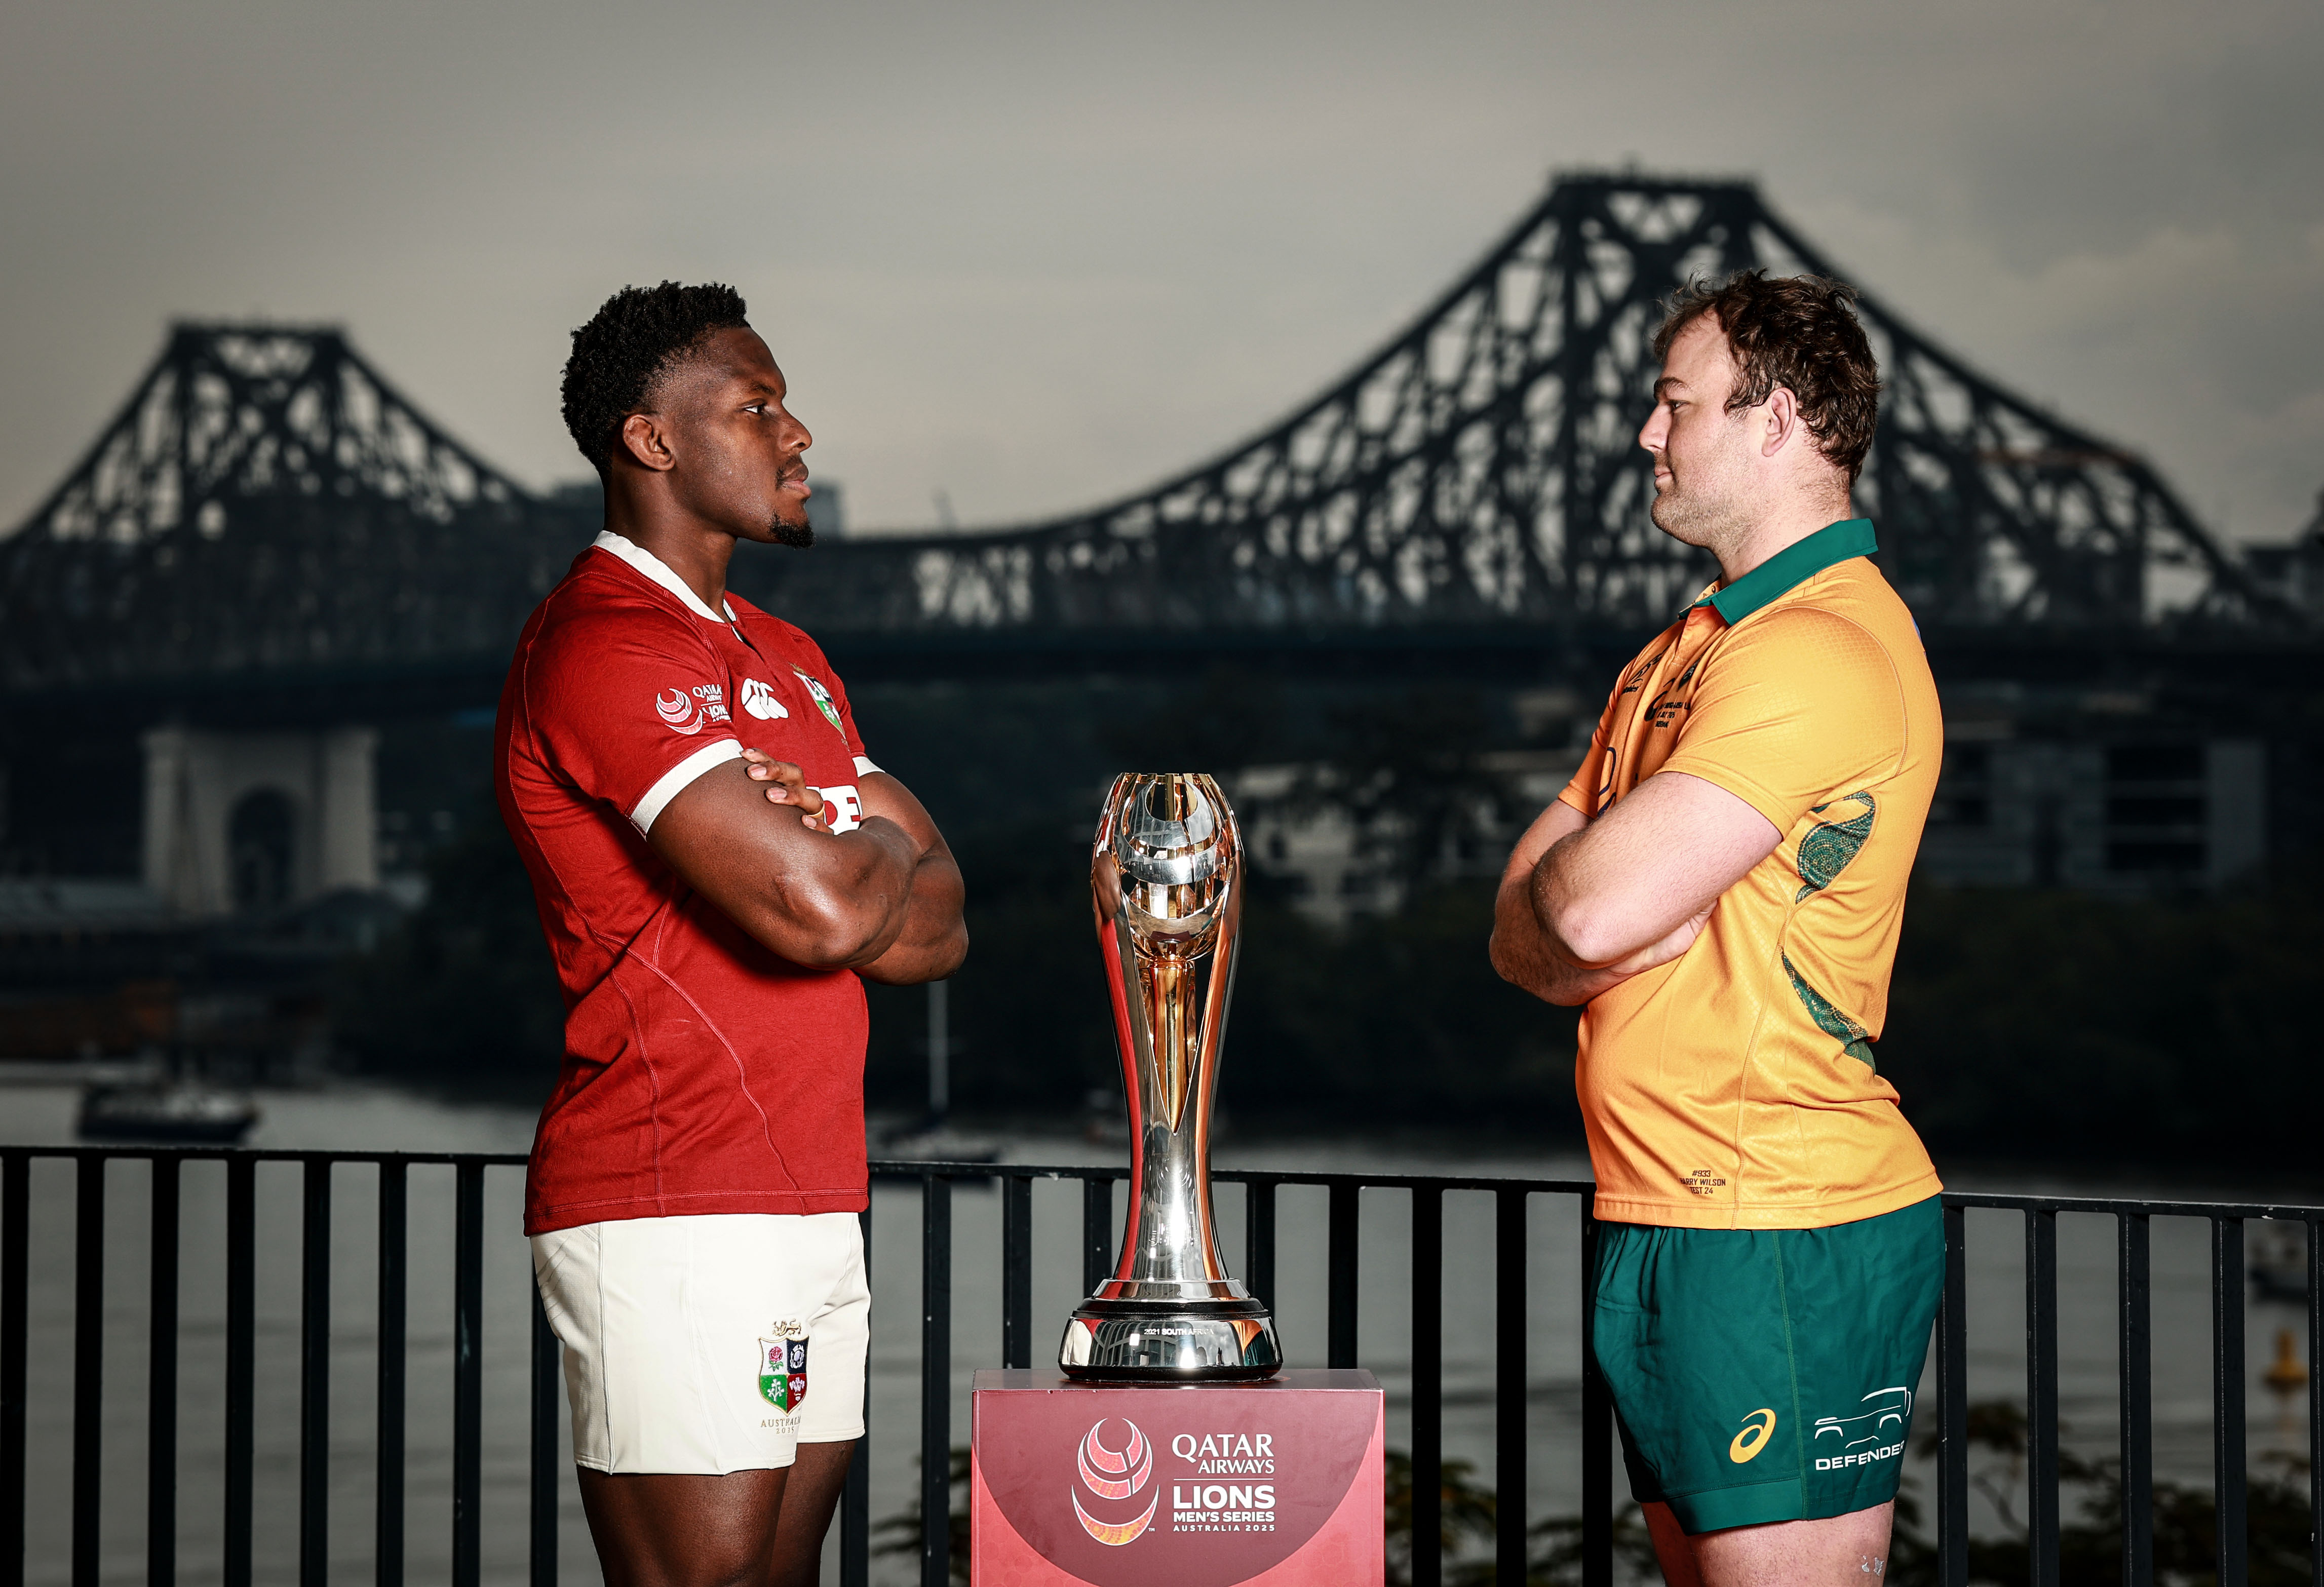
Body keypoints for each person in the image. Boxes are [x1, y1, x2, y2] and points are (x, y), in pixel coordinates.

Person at [496, 282, 967, 1587]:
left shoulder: (790, 653)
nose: (799, 430)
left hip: (814, 1191)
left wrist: (837, 846)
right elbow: (827, 911)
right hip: (673, 1200)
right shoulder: (603, 645)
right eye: (757, 407)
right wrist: (864, 841)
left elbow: (939, 926)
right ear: (653, 440)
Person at [1490, 271, 1943, 1586]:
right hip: (1671, 1213)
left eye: (1671, 401)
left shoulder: (1812, 650)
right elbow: (1525, 935)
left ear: (1777, 420)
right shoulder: (1680, 651)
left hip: (1778, 1220)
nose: (1644, 432)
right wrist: (1568, 921)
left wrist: (1580, 914)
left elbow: (1581, 903)